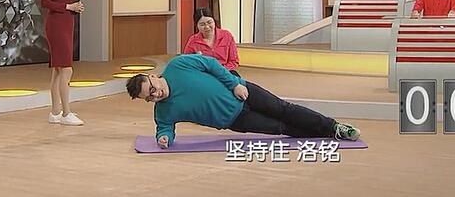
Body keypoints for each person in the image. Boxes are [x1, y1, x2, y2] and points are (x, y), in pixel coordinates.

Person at [125, 54, 360, 149]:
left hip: (244, 91)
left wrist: (234, 84)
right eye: (149, 97)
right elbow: (164, 127)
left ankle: (334, 127)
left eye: (152, 89)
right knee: (281, 128)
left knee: (285, 109)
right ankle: (327, 134)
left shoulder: (178, 65)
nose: (155, 95)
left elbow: (212, 65)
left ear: (153, 77)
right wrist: (164, 138)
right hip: (237, 120)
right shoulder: (163, 111)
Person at [41, 0, 85, 126]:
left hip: (67, 23)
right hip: (56, 25)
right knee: (66, 69)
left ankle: (55, 112)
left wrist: (75, 8)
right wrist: (68, 6)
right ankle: (66, 113)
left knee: (58, 70)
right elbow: (45, 1)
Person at [182, 8, 240, 76]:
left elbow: (234, 61)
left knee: (238, 79)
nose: (207, 27)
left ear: (214, 21)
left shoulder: (226, 35)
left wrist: (221, 71)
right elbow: (186, 62)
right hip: (204, 74)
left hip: (225, 71)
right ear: (197, 25)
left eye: (209, 22)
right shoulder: (193, 40)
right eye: (202, 24)